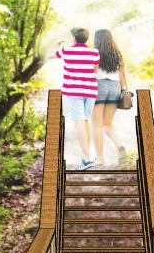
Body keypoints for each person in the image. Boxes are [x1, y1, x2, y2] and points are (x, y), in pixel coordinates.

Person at [50, 27, 101, 167]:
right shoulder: (94, 52)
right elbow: (94, 71)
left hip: (74, 92)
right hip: (90, 90)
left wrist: (57, 44)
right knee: (85, 121)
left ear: (73, 38)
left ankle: (87, 157)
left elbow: (50, 55)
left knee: (79, 123)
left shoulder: (66, 51)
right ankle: (87, 155)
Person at [92, 27, 129, 166]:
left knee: (96, 125)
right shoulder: (117, 54)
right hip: (115, 87)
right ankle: (119, 145)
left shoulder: (94, 52)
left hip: (99, 86)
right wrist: (125, 90)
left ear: (97, 40)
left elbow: (92, 72)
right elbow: (122, 75)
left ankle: (100, 159)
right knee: (107, 123)